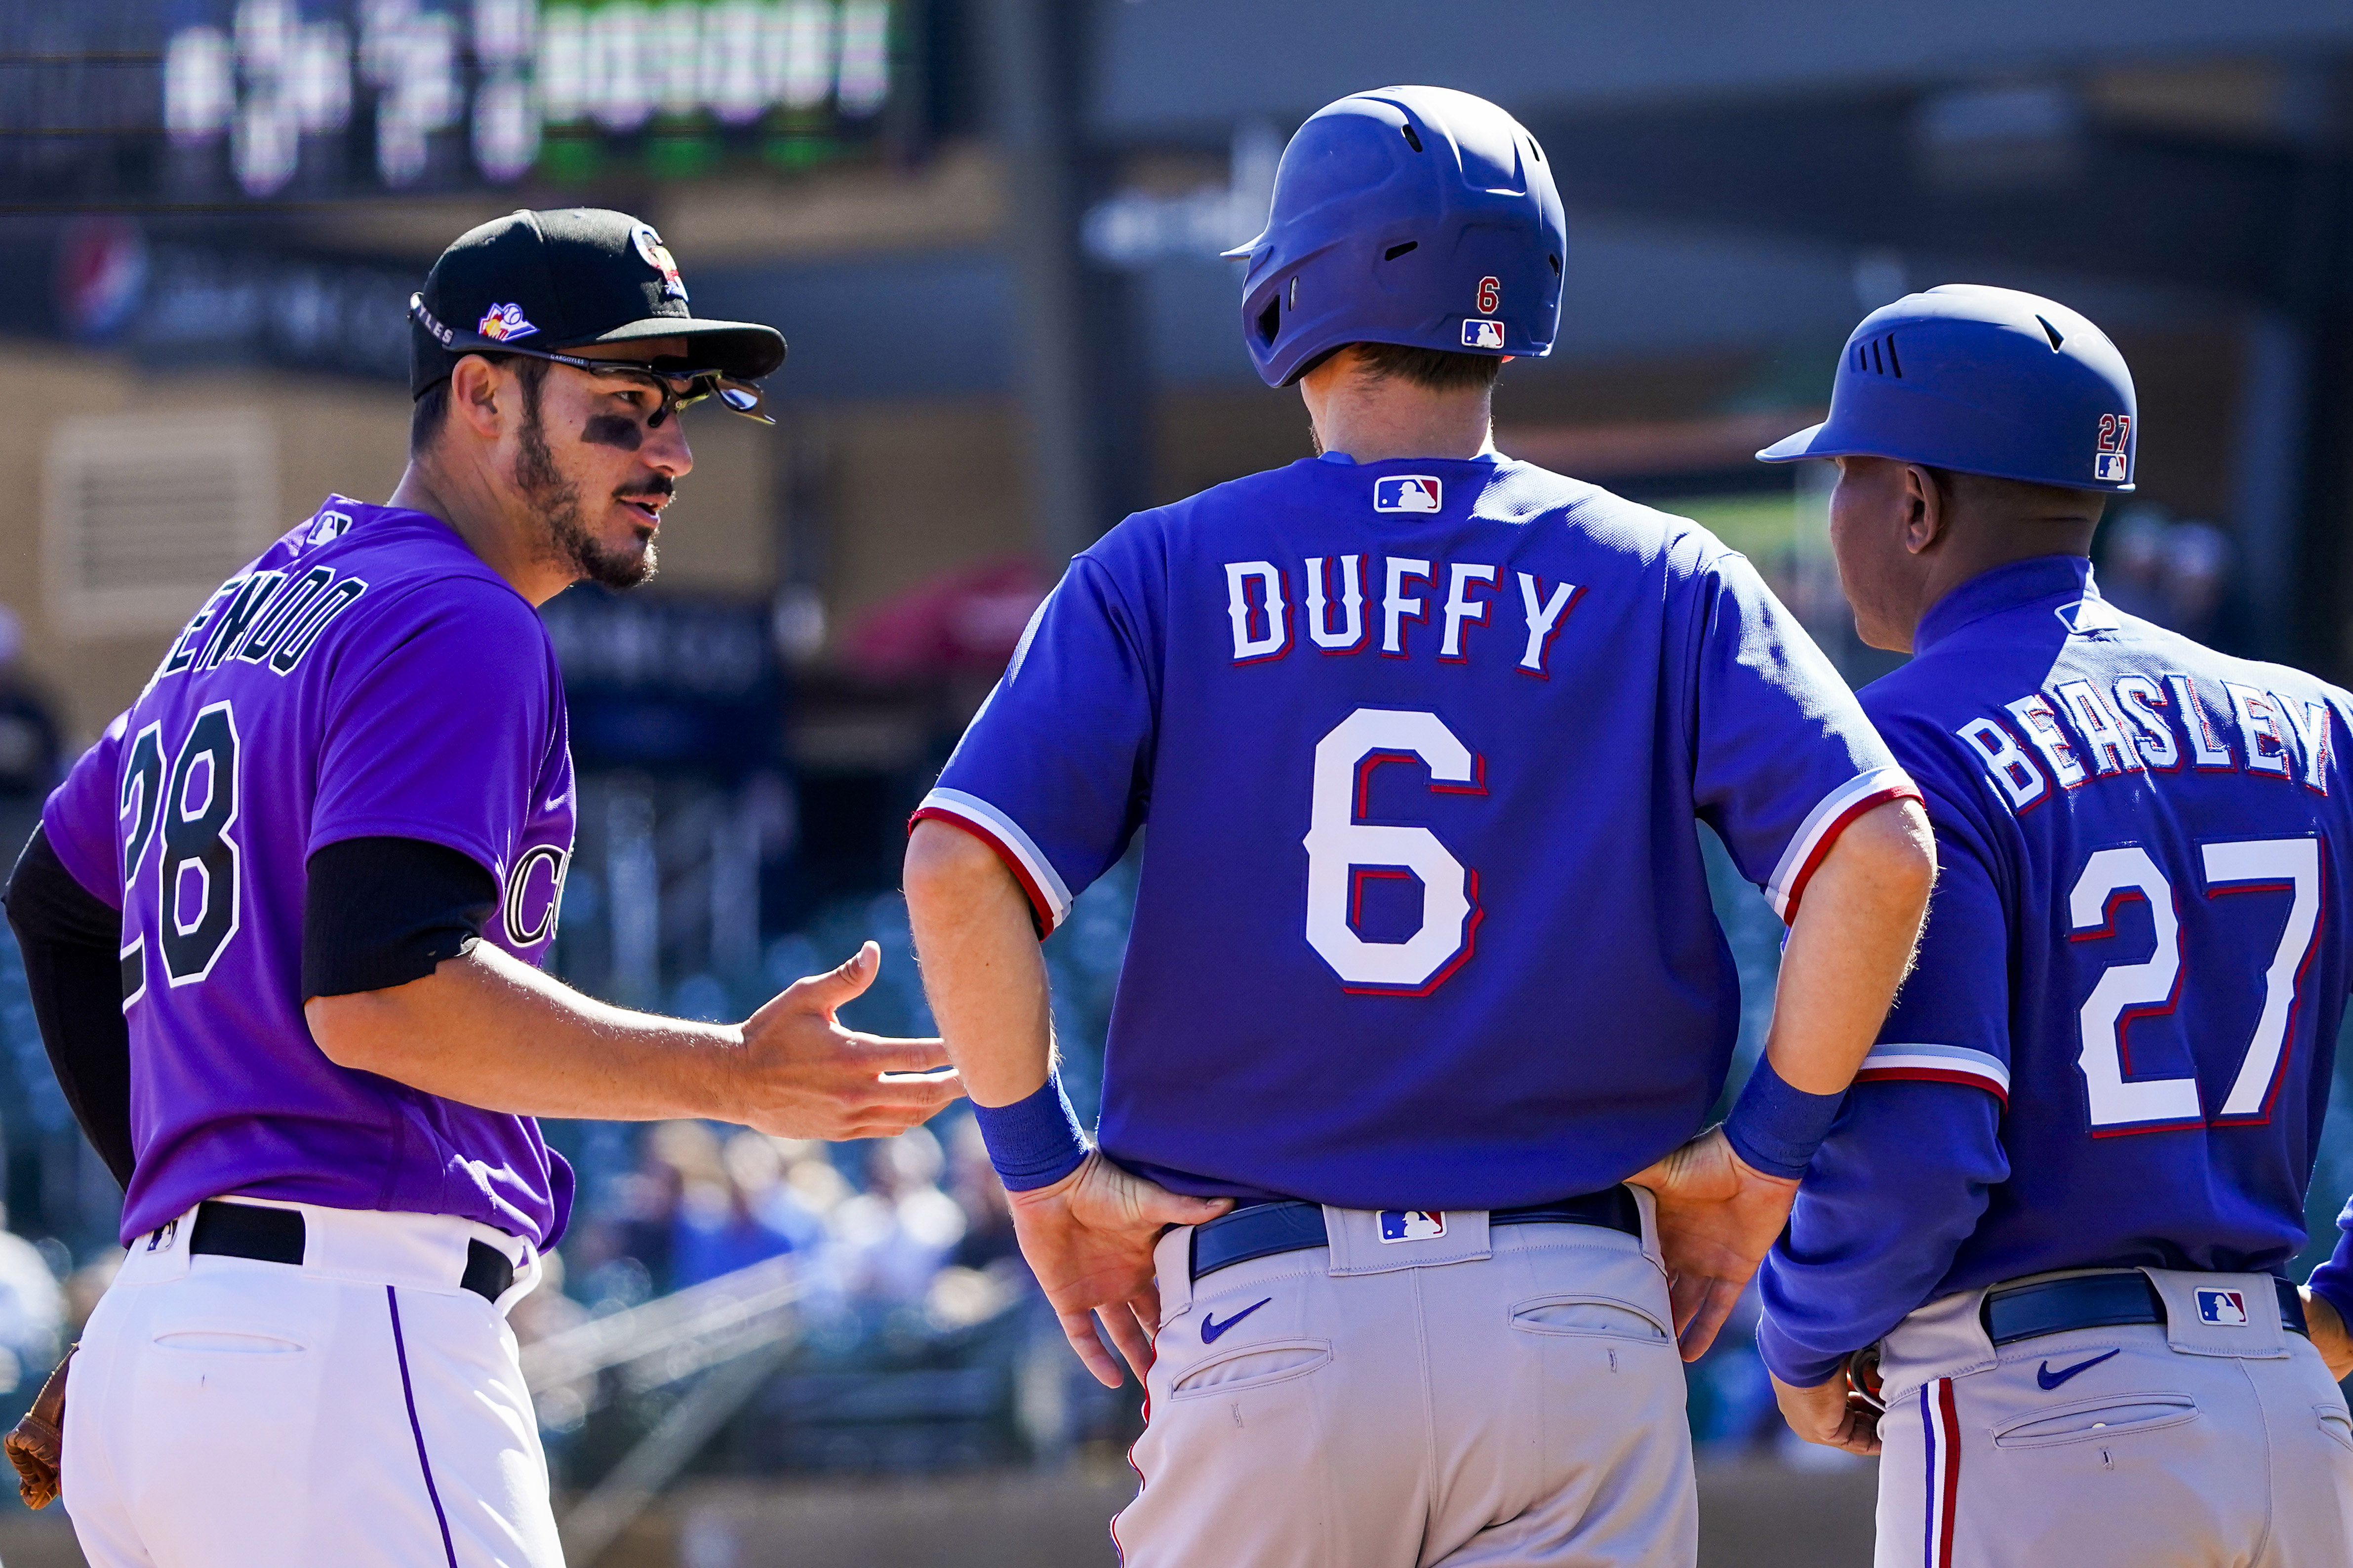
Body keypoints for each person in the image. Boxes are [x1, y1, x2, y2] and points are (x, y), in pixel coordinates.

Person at [902, 86, 1934, 1567]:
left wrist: (1040, 1166)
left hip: (1272, 1311)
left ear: (1293, 290)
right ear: (1520, 309)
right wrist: (1763, 1158)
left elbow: (956, 867)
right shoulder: (1665, 571)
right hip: (1575, 1308)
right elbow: (1881, 857)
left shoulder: (1159, 567)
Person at [0, 208, 960, 1565]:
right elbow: (380, 993)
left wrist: (177, 1229)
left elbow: (54, 899)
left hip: (174, 1368)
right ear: (478, 393)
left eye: (680, 410)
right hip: (346, 1338)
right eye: (621, 407)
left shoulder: (257, 607)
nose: (671, 452)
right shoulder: (457, 617)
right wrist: (730, 1075)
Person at [1753, 284, 2353, 1566]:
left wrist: (1806, 1334)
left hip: (2053, 1417)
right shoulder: (2318, 725)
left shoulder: (1910, 741)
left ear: (1915, 504)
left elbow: (1925, 1142)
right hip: (2293, 1419)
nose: (1836, 510)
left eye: (1847, 476)